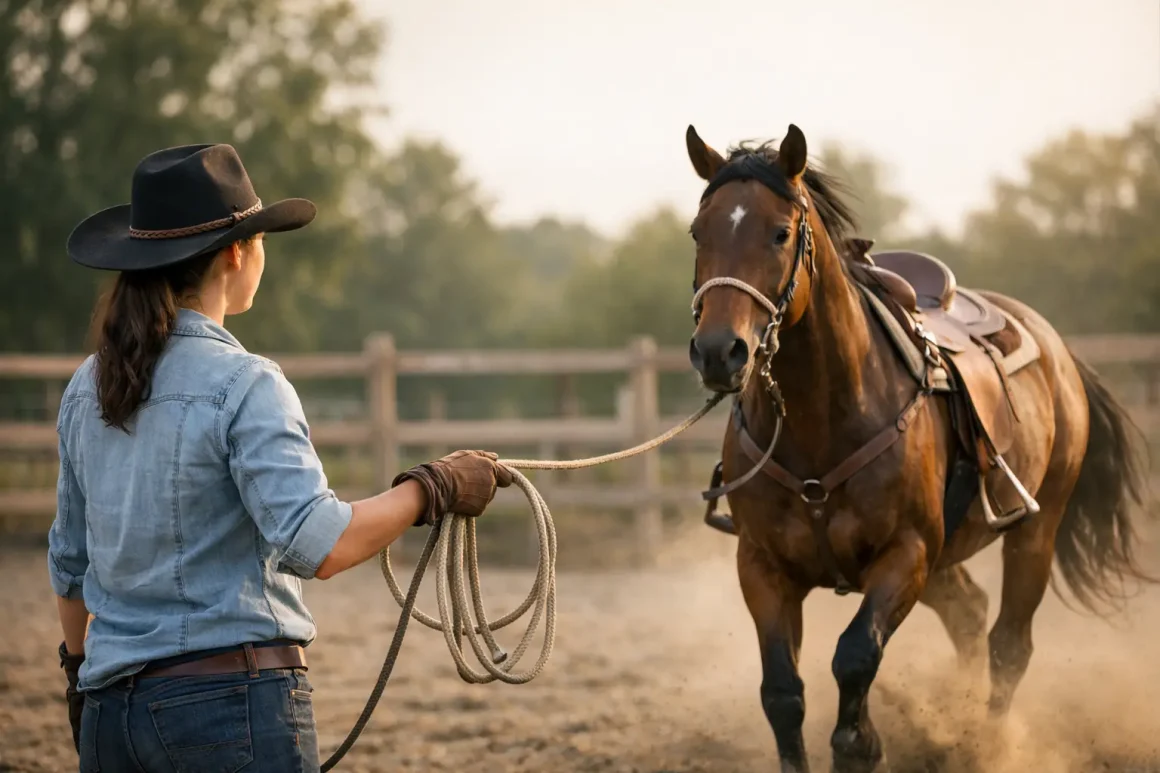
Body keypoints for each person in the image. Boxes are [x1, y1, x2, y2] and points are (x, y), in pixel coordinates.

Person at [48, 144, 513, 772]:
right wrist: (433, 487)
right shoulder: (245, 384)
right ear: (236, 252)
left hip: (109, 714)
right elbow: (318, 544)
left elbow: (70, 564)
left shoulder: (87, 386)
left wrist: (78, 678)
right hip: (228, 705)